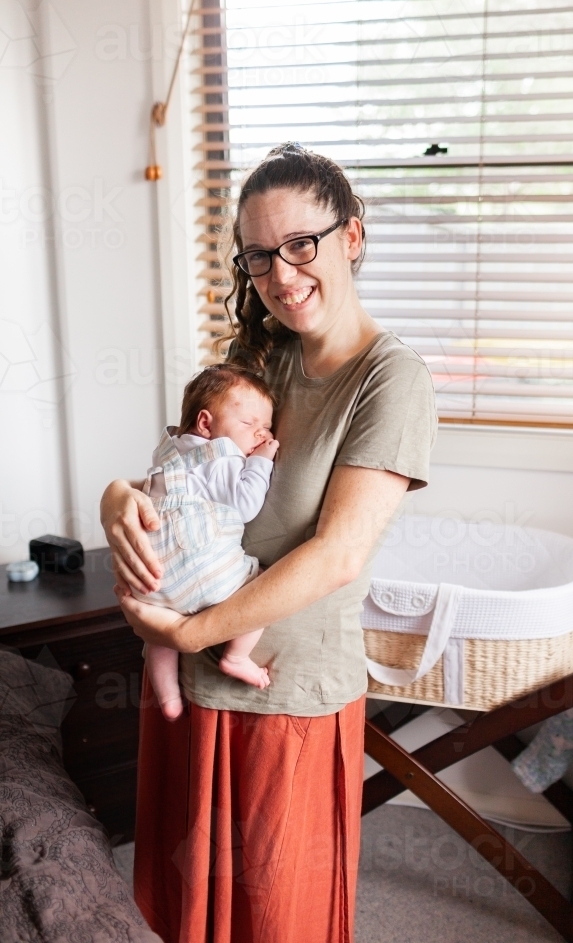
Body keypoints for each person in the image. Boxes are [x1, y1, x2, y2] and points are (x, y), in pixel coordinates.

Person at [101, 143, 437, 943]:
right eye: (259, 257)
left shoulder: (392, 381)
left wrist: (184, 632)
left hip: (282, 693)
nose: (281, 275)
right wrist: (116, 498)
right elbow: (185, 473)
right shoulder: (259, 361)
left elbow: (336, 555)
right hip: (192, 684)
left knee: (273, 918)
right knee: (186, 913)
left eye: (300, 245)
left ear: (350, 237)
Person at [139, 364, 279, 721]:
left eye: (266, 428)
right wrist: (260, 462)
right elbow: (245, 504)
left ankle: (168, 696)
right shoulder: (222, 455)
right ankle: (236, 657)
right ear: (206, 424)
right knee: (262, 587)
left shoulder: (166, 455)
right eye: (250, 425)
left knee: (158, 636)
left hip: (156, 581)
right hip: (211, 576)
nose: (261, 436)